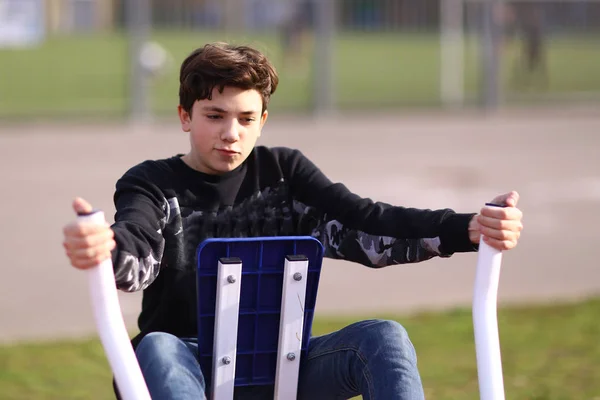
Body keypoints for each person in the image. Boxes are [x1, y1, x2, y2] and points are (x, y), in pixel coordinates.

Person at [62, 42, 524, 400]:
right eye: (214, 116)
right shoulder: (151, 182)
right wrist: (105, 248)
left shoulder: (285, 172)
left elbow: (366, 222)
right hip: (186, 362)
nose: (231, 132)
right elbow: (136, 246)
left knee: (384, 337)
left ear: (263, 120)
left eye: (246, 118)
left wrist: (469, 229)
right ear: (185, 116)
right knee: (157, 344)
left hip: (282, 363)